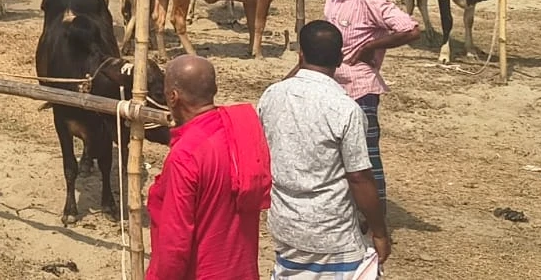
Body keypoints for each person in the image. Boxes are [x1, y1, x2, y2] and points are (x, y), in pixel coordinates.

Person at [259, 20, 390, 279]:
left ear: (301, 55)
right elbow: (359, 177)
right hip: (333, 233)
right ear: (340, 59)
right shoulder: (345, 109)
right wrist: (379, 232)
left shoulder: (272, 96)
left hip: (285, 225)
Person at [147, 54, 271, 280]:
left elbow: (175, 243)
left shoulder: (186, 155)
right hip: (243, 271)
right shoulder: (243, 131)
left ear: (173, 97)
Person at [323, 0, 421, 202]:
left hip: (360, 92)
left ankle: (377, 224)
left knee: (365, 161)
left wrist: (371, 48)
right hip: (334, 90)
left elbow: (411, 29)